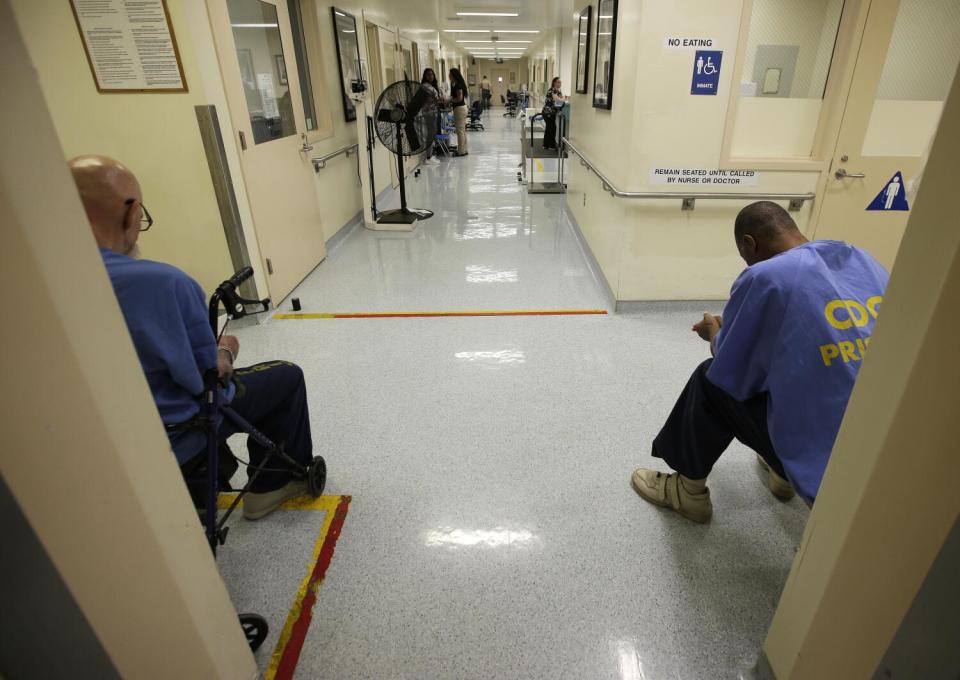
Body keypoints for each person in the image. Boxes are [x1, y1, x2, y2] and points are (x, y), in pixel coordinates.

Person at [69, 155, 315, 520]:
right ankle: (270, 488)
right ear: (131, 212)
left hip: (86, 447)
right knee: (286, 375)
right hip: (176, 432)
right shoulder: (166, 284)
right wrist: (225, 352)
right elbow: (209, 381)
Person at [631, 201, 889, 523]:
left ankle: (687, 493)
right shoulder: (861, 259)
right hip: (885, 435)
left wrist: (715, 333)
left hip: (828, 457)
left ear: (748, 244)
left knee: (710, 379)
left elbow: (731, 365)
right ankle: (781, 475)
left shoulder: (764, 276)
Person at [420, 68, 445, 166]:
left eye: (432, 74)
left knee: (432, 134)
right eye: (428, 75)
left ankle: (430, 155)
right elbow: (432, 99)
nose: (430, 76)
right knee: (430, 135)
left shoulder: (431, 86)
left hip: (433, 112)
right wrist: (440, 100)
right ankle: (428, 157)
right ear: (425, 76)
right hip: (429, 114)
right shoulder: (425, 86)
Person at [449, 67, 469, 157]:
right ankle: (464, 150)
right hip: (462, 108)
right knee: (462, 131)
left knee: (460, 131)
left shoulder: (458, 85)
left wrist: (449, 101)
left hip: (459, 109)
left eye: (450, 74)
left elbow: (459, 99)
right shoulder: (455, 84)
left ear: (454, 75)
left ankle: (461, 151)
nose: (449, 76)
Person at [542, 77, 567, 149]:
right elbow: (557, 99)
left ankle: (546, 145)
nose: (560, 84)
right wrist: (563, 99)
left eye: (560, 82)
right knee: (551, 128)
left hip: (552, 112)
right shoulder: (552, 90)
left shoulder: (558, 91)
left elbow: (561, 99)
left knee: (550, 128)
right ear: (554, 83)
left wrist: (563, 99)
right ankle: (551, 145)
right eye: (558, 82)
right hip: (548, 112)